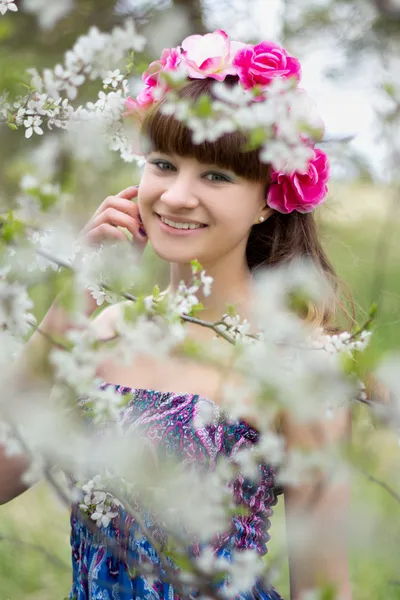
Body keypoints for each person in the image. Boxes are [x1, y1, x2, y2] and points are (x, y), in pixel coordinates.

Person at [0, 31, 352, 600]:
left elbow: (325, 585)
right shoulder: (104, 333)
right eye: (163, 164)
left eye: (215, 175)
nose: (176, 196)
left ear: (268, 197)